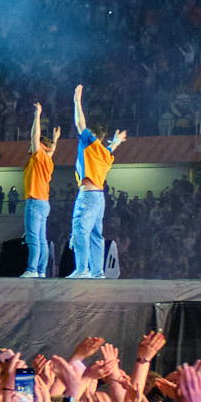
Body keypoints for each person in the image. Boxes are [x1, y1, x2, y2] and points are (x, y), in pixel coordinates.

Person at [69, 84, 126, 279]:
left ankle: (82, 269)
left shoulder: (90, 143)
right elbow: (111, 150)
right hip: (99, 198)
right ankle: (97, 272)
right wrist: (116, 142)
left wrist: (77, 102)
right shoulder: (104, 153)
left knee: (80, 231)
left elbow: (80, 124)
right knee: (95, 235)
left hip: (87, 196)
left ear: (93, 137)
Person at [23, 102, 62, 279]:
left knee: (33, 239)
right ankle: (40, 271)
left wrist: (37, 115)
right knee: (41, 239)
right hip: (44, 203)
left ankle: (32, 270)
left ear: (40, 146)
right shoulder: (48, 160)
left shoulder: (39, 157)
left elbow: (34, 135)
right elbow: (51, 150)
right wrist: (55, 140)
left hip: (34, 201)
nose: (29, 147)